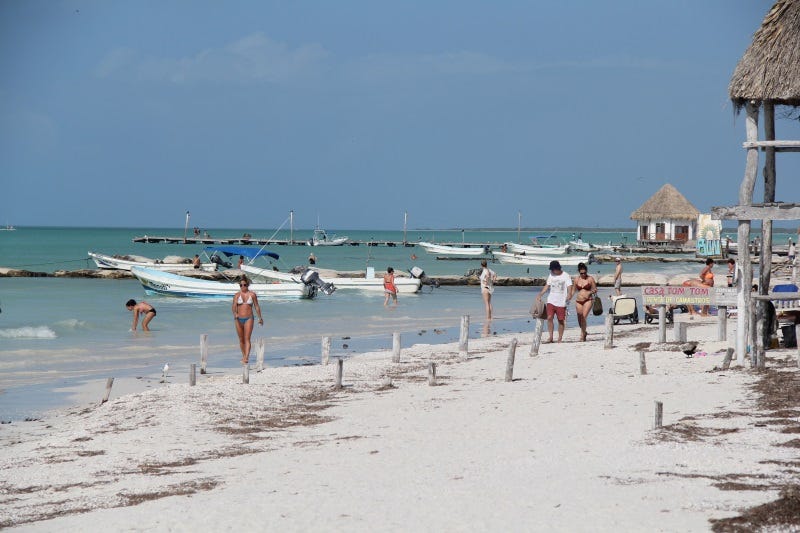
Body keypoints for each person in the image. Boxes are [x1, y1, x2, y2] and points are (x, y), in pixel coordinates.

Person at [535, 260, 573, 343]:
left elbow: (570, 286)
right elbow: (547, 286)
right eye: (551, 269)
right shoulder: (551, 274)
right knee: (549, 318)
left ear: (557, 268)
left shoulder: (566, 276)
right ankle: (551, 337)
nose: (552, 271)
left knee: (560, 320)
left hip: (561, 302)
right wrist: (540, 294)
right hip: (551, 300)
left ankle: (559, 338)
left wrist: (569, 294)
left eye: (553, 269)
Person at [232, 276, 263, 365]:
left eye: (244, 285)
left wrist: (260, 318)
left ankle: (246, 357)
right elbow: (234, 306)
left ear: (248, 285)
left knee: (247, 338)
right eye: (241, 285)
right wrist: (235, 314)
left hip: (249, 318)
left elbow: (256, 306)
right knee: (241, 339)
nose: (242, 287)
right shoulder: (237, 295)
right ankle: (244, 355)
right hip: (238, 319)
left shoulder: (252, 294)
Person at [568, 262, 597, 342]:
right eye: (581, 273)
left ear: (586, 271)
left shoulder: (590, 279)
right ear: (579, 272)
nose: (583, 274)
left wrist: (590, 292)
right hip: (578, 301)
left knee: (584, 317)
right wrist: (569, 297)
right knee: (579, 318)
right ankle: (584, 332)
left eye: (584, 273)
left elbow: (595, 289)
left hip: (588, 300)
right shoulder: (576, 279)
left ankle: (581, 335)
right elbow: (573, 290)